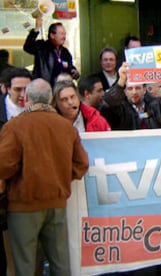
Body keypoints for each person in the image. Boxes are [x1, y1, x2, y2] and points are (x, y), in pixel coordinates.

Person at [0, 78, 89, 276]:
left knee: (26, 265)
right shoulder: (66, 127)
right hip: (57, 204)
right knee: (61, 263)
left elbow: (3, 166)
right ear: (50, 99)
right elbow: (82, 164)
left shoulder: (15, 126)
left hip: (23, 206)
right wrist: (60, 177)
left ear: (26, 99)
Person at [0, 66, 32, 276]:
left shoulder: (38, 110)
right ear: (4, 88)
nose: (22, 95)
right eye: (17, 90)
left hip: (30, 192)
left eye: (26, 90)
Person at [101, 59, 161, 130]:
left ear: (145, 90)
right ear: (125, 92)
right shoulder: (120, 110)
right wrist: (121, 81)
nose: (134, 92)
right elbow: (108, 103)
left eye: (138, 88)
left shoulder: (159, 105)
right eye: (130, 89)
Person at [23, 17, 79, 87]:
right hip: (44, 89)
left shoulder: (65, 52)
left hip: (60, 90)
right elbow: (27, 47)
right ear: (52, 35)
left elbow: (68, 67)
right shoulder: (42, 47)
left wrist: (74, 71)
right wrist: (36, 29)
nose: (64, 37)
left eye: (65, 34)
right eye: (61, 34)